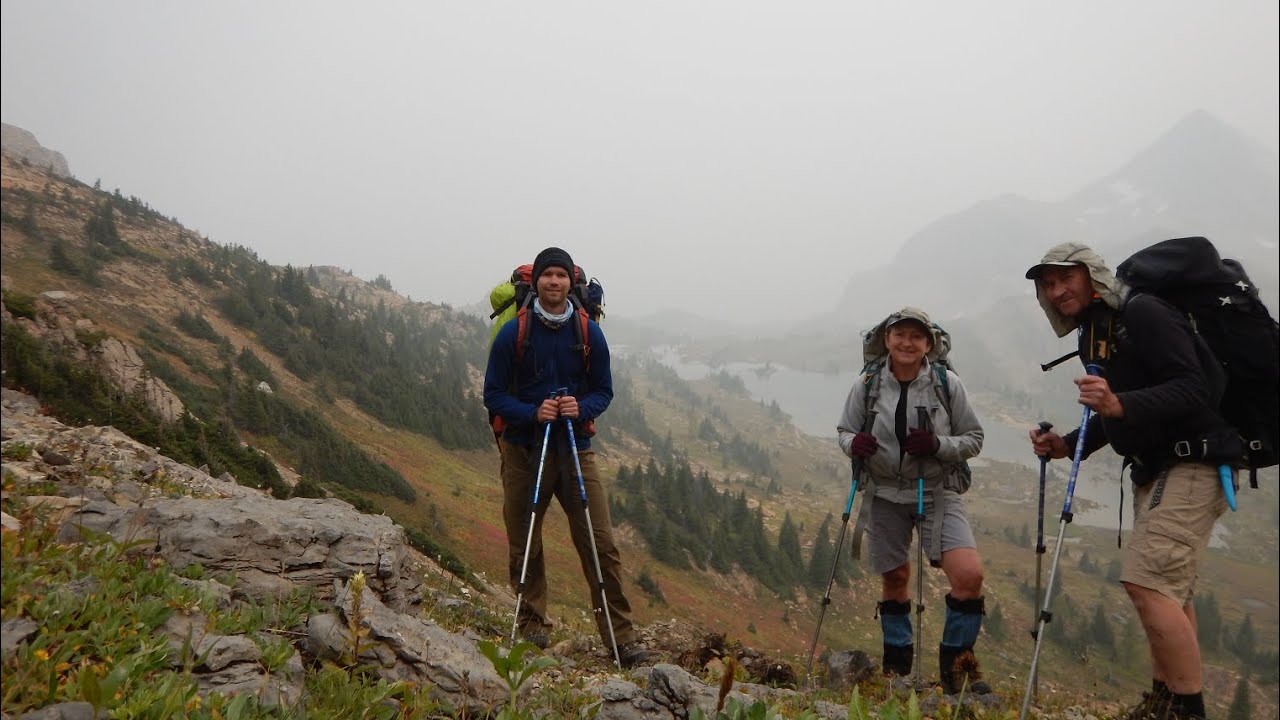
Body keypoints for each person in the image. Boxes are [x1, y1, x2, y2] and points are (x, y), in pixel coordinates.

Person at [1025, 242, 1234, 720]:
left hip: (1193, 460)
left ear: (1091, 275)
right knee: (1169, 590)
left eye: (1066, 278)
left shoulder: (1144, 314)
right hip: (1157, 466)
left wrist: (1120, 406)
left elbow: (1193, 387)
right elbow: (1112, 405)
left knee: (1148, 583)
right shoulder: (1095, 333)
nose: (1057, 291)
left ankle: (1185, 711)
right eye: (1048, 284)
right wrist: (1067, 443)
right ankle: (1164, 701)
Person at [483, 246, 648, 668]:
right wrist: (532, 412)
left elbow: (603, 391)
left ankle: (620, 635)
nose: (553, 282)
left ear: (570, 283)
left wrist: (582, 408)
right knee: (526, 542)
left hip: (575, 450)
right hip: (523, 449)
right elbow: (493, 395)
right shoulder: (512, 334)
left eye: (560, 275)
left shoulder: (588, 332)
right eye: (546, 275)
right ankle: (532, 628)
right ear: (535, 282)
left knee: (600, 544)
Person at [837, 307, 988, 694]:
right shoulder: (868, 383)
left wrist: (938, 445)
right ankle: (897, 671)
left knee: (968, 576)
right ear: (886, 339)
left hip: (937, 490)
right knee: (895, 577)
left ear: (929, 344)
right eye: (899, 335)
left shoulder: (945, 383)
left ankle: (957, 674)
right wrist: (855, 443)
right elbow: (844, 431)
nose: (907, 343)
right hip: (884, 493)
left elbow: (974, 438)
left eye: (916, 337)